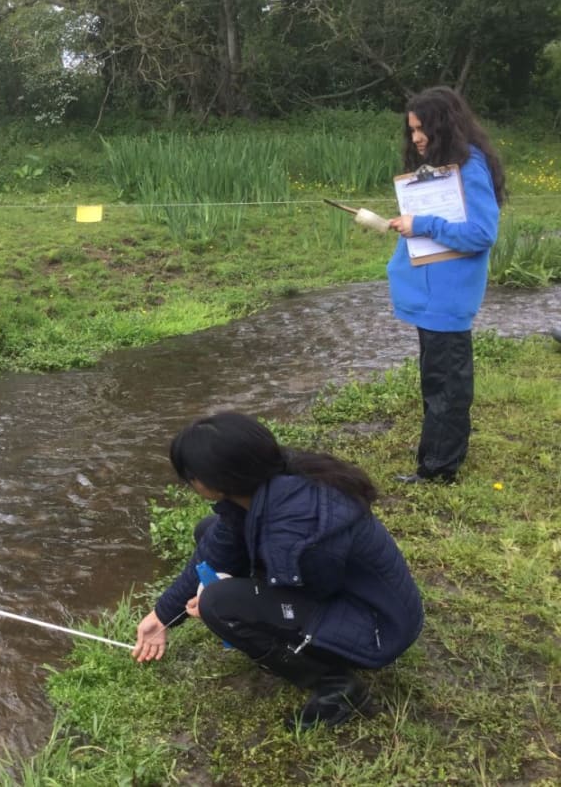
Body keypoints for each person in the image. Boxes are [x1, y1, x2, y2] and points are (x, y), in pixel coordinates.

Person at [133, 412, 424, 730]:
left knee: (219, 602)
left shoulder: (297, 530)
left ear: (217, 482)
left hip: (380, 629)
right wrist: (162, 616)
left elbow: (311, 593)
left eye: (190, 476)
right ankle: (235, 606)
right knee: (209, 531)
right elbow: (215, 552)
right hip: (356, 599)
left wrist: (232, 599)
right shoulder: (266, 482)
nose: (189, 483)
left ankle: (337, 688)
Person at [387, 86, 504, 484]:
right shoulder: (443, 167)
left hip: (448, 299)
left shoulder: (469, 166)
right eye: (412, 130)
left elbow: (480, 233)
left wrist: (422, 224)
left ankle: (439, 469)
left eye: (422, 130)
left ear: (443, 126)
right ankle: (439, 458)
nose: (416, 138)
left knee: (447, 387)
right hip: (432, 298)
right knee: (436, 381)